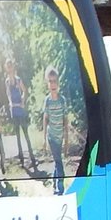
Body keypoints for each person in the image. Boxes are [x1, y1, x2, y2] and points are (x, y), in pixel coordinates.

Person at [42, 66, 70, 194]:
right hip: (52, 136)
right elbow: (45, 119)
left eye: (54, 81)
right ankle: (60, 188)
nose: (53, 84)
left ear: (58, 83)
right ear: (47, 83)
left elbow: (65, 120)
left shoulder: (62, 100)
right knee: (59, 162)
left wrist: (66, 139)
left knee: (57, 160)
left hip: (60, 136)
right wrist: (44, 139)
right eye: (50, 81)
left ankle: (54, 183)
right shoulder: (47, 101)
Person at [4, 58, 35, 169]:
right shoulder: (7, 81)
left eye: (11, 65)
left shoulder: (18, 80)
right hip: (14, 110)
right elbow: (8, 94)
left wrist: (22, 101)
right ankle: (21, 159)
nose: (10, 68)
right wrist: (10, 103)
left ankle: (32, 158)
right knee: (17, 135)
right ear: (6, 68)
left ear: (13, 67)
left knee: (26, 134)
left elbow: (24, 90)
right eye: (8, 66)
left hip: (20, 110)